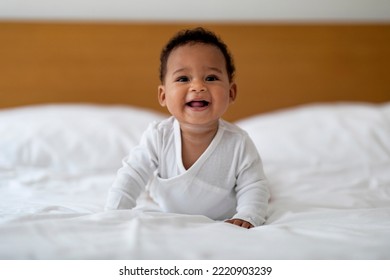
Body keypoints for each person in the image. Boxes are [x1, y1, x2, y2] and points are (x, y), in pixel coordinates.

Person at [105, 27, 269, 228]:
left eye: (211, 78)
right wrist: (114, 213)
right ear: (163, 96)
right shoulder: (159, 136)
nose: (198, 86)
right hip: (166, 205)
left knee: (260, 185)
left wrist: (249, 214)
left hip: (222, 216)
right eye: (183, 79)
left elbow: (254, 186)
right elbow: (132, 173)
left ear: (231, 92)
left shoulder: (238, 142)